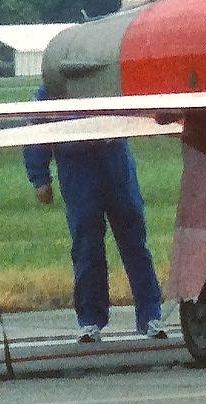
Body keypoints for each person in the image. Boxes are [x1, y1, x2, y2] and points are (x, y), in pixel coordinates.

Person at [23, 86, 166, 342]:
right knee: (87, 245)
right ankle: (90, 320)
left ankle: (150, 316)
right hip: (78, 169)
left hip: (115, 163)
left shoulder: (108, 81)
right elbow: (37, 128)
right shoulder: (54, 86)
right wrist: (39, 176)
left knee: (134, 241)